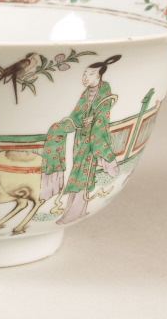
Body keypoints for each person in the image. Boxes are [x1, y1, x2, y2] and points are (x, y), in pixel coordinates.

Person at [40, 56, 121, 224]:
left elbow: (102, 116)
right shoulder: (85, 93)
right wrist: (65, 126)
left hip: (93, 138)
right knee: (76, 169)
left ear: (99, 76)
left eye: (90, 74)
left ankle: (75, 211)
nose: (85, 77)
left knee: (81, 174)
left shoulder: (105, 90)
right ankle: (74, 209)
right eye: (84, 74)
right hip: (80, 138)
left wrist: (93, 121)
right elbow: (76, 116)